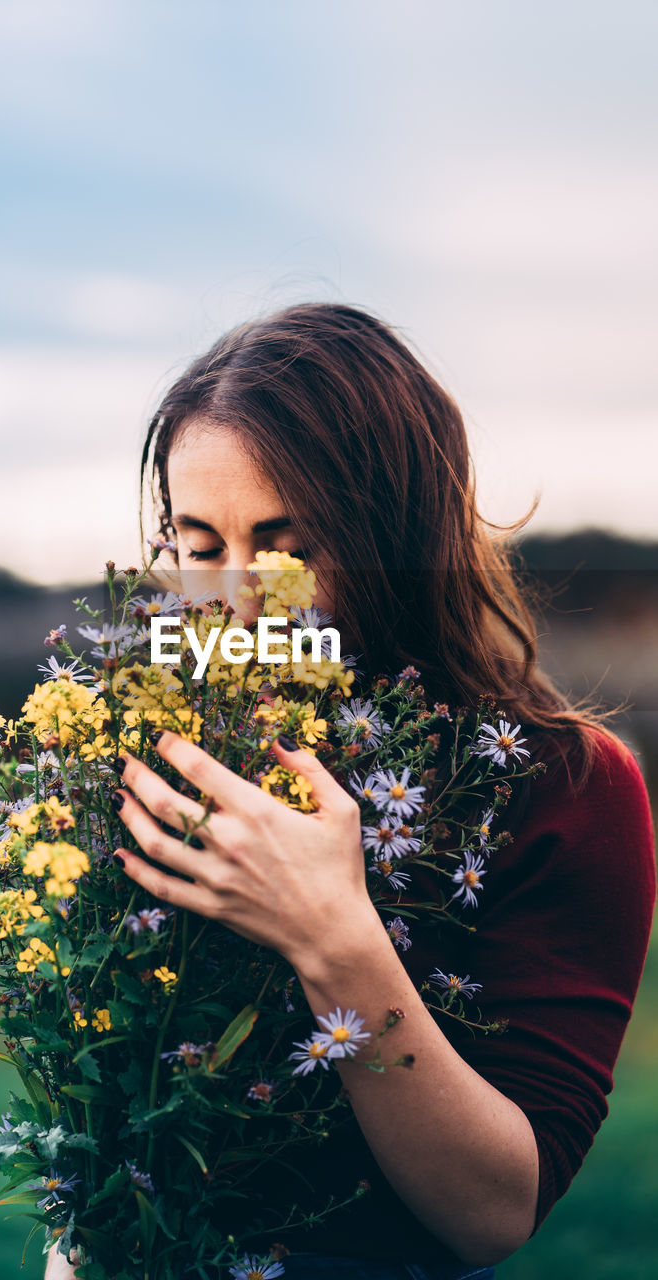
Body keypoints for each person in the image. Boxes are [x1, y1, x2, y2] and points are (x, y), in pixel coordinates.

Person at [44, 303, 655, 1280]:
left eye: (290, 547)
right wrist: (80, 1231)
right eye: (201, 547)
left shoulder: (564, 786)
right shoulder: (153, 745)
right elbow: (108, 1063)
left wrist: (333, 933)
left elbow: (494, 1209)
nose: (241, 600)